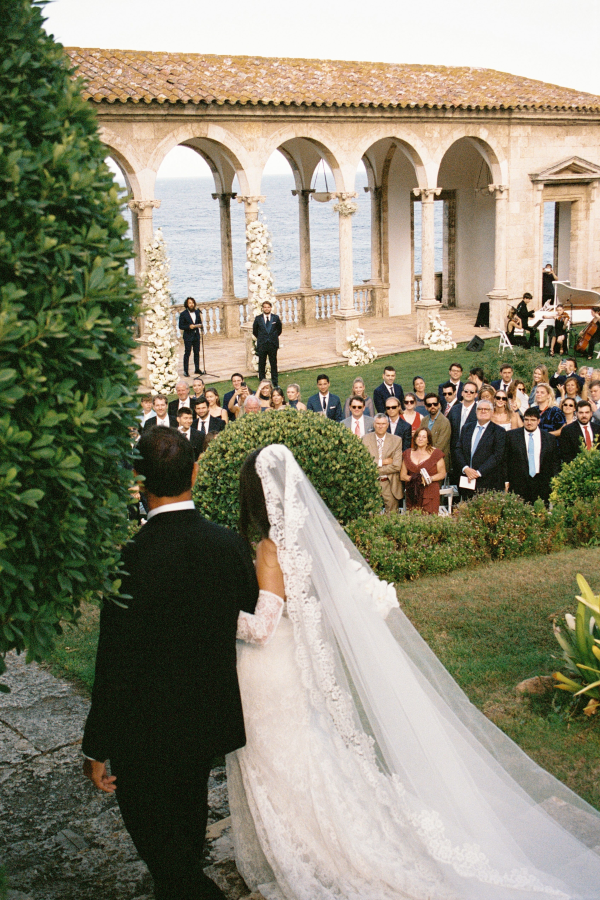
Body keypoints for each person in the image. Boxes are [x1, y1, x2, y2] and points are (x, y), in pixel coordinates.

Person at [227, 443, 600, 900]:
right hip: (293, 665)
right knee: (308, 751)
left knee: (285, 757)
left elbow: (263, 626)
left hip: (274, 668)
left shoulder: (270, 549)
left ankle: (312, 843)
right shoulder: (310, 543)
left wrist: (216, 615)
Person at [82, 428, 261, 900]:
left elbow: (112, 661)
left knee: (166, 851)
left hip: (145, 731)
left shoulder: (128, 560)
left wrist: (96, 746)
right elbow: (249, 613)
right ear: (195, 473)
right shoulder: (228, 545)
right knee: (186, 827)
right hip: (204, 720)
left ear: (138, 482)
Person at [504, 408, 560, 505]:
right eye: (526, 419)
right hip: (518, 483)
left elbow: (555, 462)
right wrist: (506, 480)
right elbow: (505, 460)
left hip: (542, 483)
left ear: (538, 421)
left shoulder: (549, 438)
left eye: (533, 420)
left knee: (541, 511)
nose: (529, 423)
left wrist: (555, 482)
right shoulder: (511, 436)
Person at [454, 399, 506, 498]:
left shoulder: (499, 431)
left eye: (486, 409)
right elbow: (458, 449)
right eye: (480, 409)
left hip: (487, 481)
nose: (483, 411)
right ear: (476, 411)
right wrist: (465, 468)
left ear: (492, 412)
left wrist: (478, 473)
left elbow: (497, 456)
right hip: (466, 479)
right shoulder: (466, 428)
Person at [362, 415, 404, 512]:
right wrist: (382, 462)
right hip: (371, 483)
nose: (380, 426)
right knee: (370, 515)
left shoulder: (396, 440)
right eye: (378, 423)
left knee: (392, 515)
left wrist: (374, 468)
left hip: (389, 483)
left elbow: (396, 466)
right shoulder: (365, 439)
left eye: (383, 424)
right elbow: (364, 462)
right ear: (374, 424)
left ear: (387, 425)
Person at [400, 425, 446, 513]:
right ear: (415, 438)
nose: (420, 439)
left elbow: (442, 473)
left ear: (428, 440)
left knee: (430, 519)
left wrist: (429, 479)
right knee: (413, 519)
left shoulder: (436, 454)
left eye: (424, 437)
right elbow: (402, 476)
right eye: (418, 436)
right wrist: (416, 479)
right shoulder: (407, 453)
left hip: (430, 493)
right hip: (413, 493)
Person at [447, 380, 478, 484]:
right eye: (466, 391)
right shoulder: (454, 410)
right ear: (462, 393)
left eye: (472, 392)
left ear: (476, 395)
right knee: (456, 486)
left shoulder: (479, 411)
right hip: (455, 455)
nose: (468, 393)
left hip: (472, 455)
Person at [559, 400, 600, 465]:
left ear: (591, 413)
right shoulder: (567, 430)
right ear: (576, 413)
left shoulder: (597, 428)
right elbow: (565, 454)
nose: (584, 415)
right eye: (581, 413)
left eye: (587, 412)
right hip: (577, 467)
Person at [252, 300, 282, 386]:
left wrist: (273, 337)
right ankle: (262, 381)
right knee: (262, 364)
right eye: (265, 307)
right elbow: (255, 331)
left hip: (272, 344)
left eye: (268, 307)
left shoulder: (275, 318)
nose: (266, 309)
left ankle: (275, 382)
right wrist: (262, 338)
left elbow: (279, 330)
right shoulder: (258, 318)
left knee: (273, 363)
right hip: (262, 344)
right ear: (262, 308)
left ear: (271, 308)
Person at [421, 393, 451, 472]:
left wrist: (424, 456)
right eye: (429, 405)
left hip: (438, 463)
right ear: (426, 407)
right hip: (423, 461)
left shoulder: (445, 422)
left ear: (439, 405)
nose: (432, 406)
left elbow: (440, 446)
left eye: (435, 404)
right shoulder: (424, 420)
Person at [178, 296, 202, 377]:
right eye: (189, 303)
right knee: (187, 353)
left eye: (192, 303)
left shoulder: (197, 312)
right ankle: (186, 371)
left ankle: (197, 369)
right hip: (188, 336)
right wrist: (189, 326)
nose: (191, 304)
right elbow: (180, 326)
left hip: (196, 335)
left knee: (196, 352)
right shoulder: (183, 314)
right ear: (187, 304)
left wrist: (200, 325)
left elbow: (199, 322)